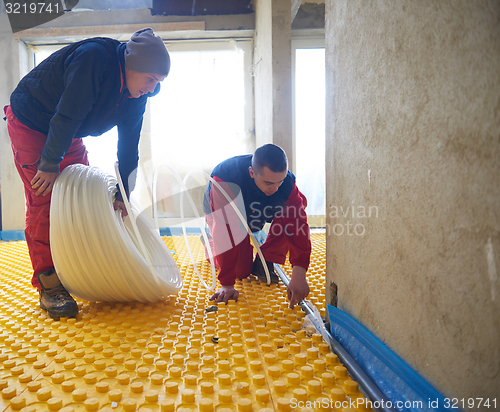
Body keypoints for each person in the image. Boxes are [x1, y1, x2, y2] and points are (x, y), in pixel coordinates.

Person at [3, 28, 170, 319]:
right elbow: (68, 113)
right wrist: (49, 163)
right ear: (134, 66)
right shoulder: (94, 59)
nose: (154, 88)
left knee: (78, 193)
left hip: (66, 128)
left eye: (159, 83)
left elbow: (130, 142)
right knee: (44, 199)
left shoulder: (137, 94)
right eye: (151, 79)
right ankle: (49, 284)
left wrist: (123, 192)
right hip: (33, 121)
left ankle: (74, 265)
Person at [202, 144, 311, 308]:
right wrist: (227, 284)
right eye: (268, 183)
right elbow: (226, 232)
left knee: (297, 204)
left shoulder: (285, 184)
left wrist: (299, 272)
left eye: (279, 182)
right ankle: (210, 243)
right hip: (225, 216)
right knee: (241, 271)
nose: (274, 189)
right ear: (252, 172)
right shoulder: (225, 180)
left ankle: (266, 259)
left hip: (255, 210)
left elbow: (297, 224)